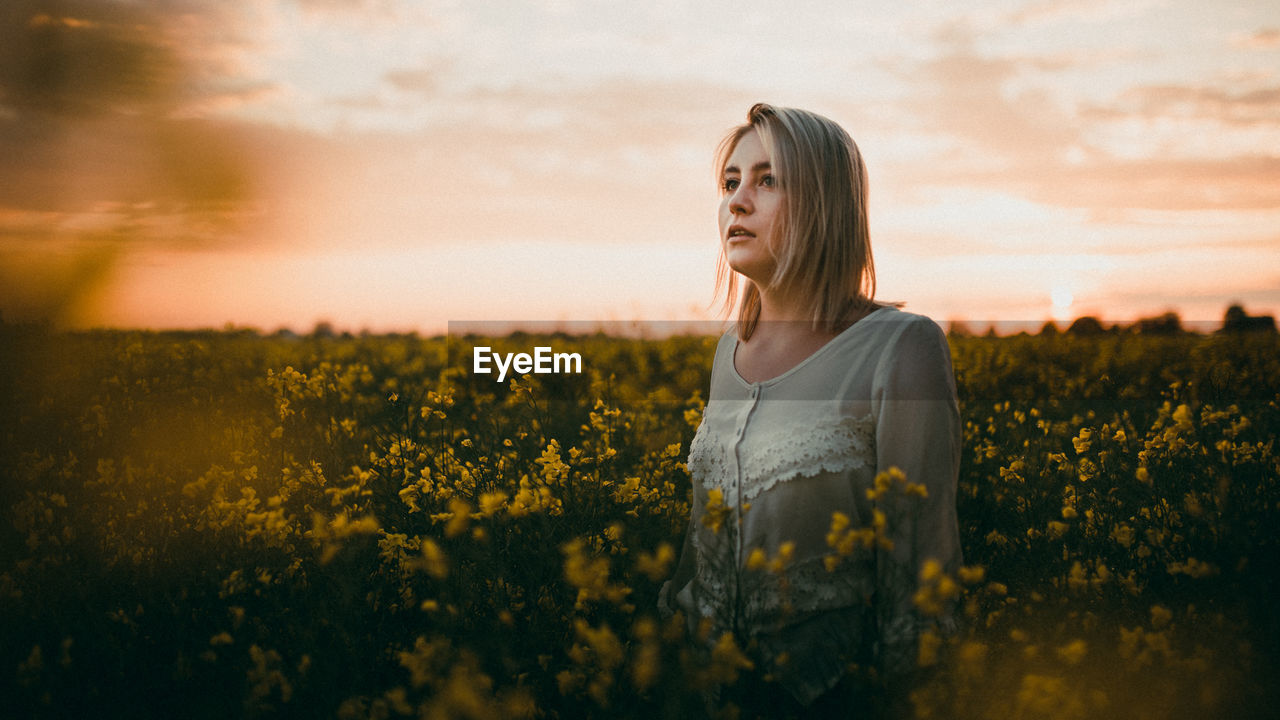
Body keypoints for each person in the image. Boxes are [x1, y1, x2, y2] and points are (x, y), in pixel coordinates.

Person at [659, 103, 963, 717]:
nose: (737, 202)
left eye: (767, 180)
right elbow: (702, 547)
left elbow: (921, 574)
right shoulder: (729, 354)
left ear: (825, 203)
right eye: (730, 182)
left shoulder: (901, 348)